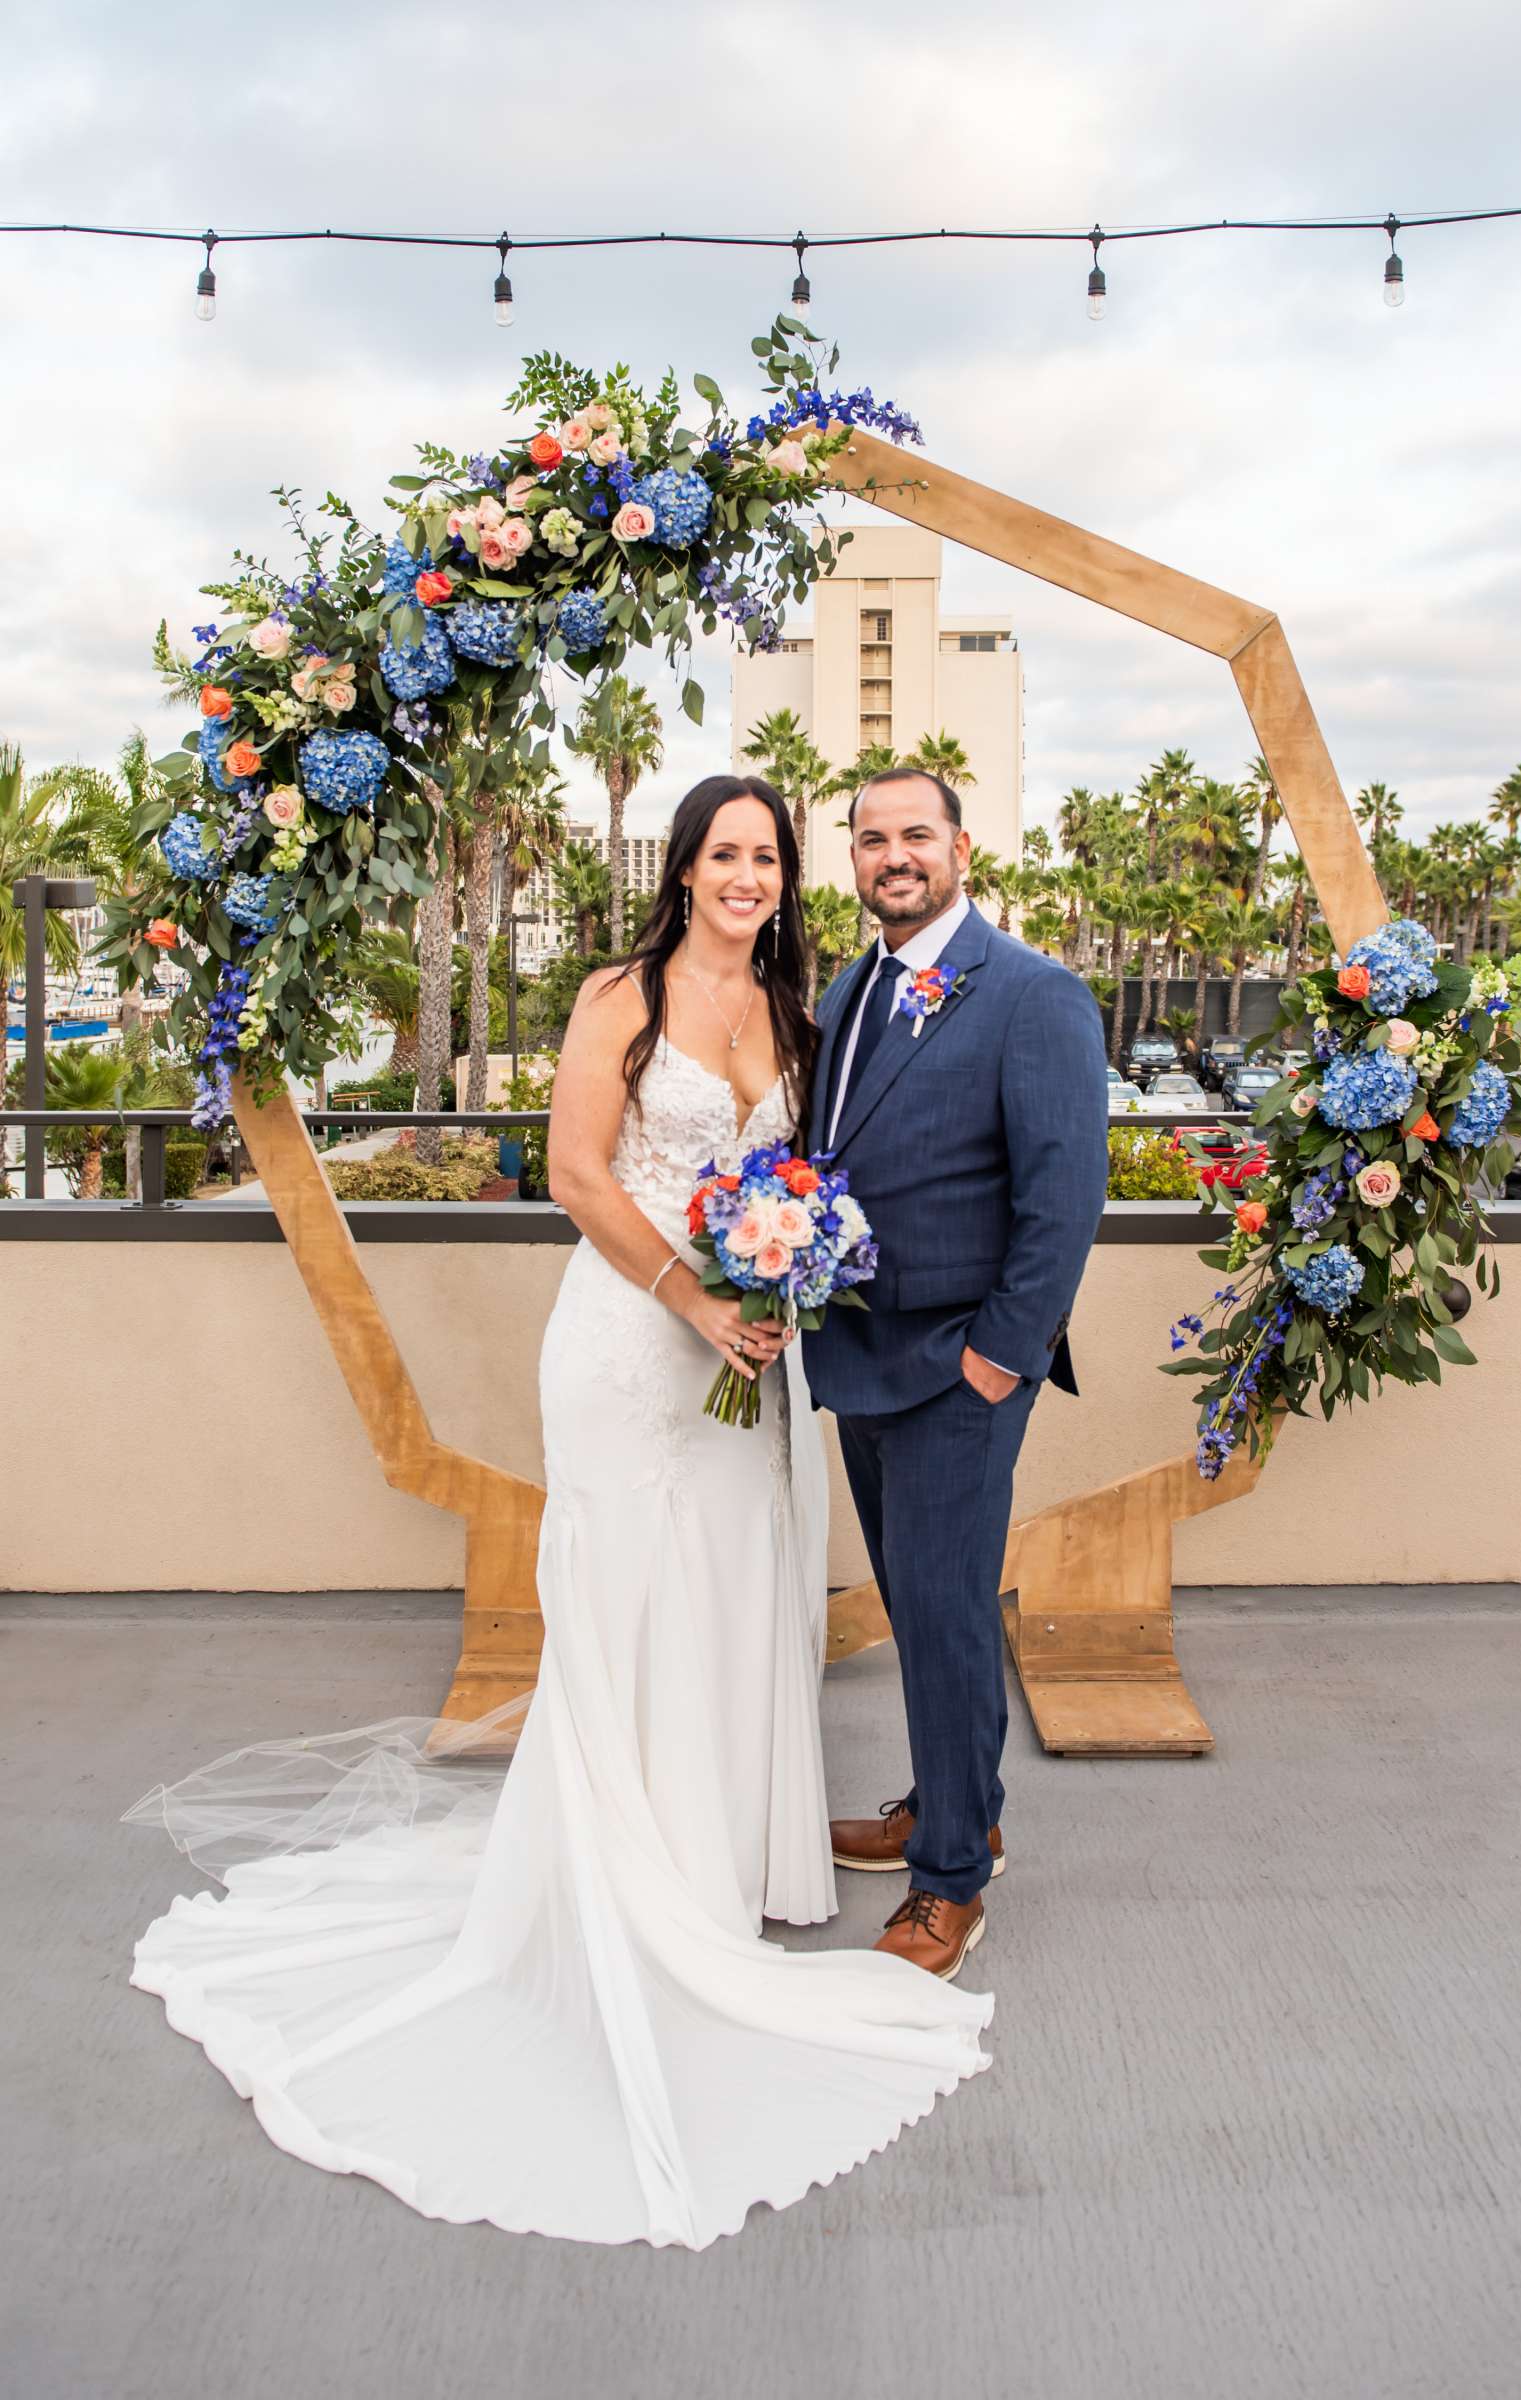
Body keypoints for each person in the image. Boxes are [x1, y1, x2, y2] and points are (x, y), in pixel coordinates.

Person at [122, 773, 991, 2251]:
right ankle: (621, 1880)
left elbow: (806, 1176)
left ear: (791, 876)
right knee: (631, 1592)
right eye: (726, 852)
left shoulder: (801, 1014)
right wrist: (696, 1297)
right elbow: (577, 1173)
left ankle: (726, 1868)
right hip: (627, 1348)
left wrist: (777, 1286)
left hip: (752, 1361)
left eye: (769, 856)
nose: (748, 875)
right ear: (685, 867)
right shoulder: (620, 996)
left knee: (738, 1590)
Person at [804, 768, 1108, 1981]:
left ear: (960, 848)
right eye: (871, 838)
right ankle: (949, 1809)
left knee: (936, 1614)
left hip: (957, 1366)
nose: (892, 855)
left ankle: (948, 1889)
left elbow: (1063, 1201)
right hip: (859, 1356)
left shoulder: (1032, 994)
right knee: (927, 1609)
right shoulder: (849, 984)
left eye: (913, 835)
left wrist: (999, 1358)